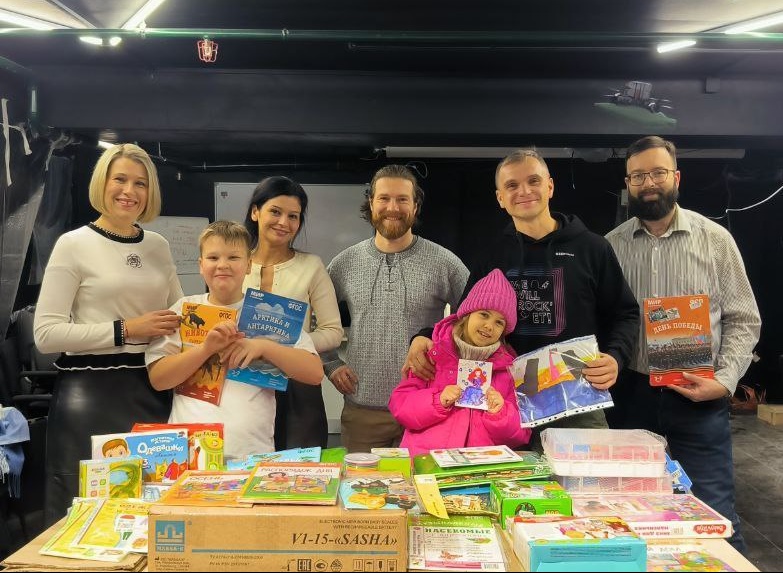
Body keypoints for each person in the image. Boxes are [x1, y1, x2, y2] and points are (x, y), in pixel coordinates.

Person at [404, 149, 639, 449]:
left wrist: (616, 357)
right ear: (500, 198)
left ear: (550, 186)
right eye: (512, 185)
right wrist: (425, 336)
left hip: (578, 400)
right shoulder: (492, 255)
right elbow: (464, 319)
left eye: (533, 181)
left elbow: (625, 313)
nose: (524, 191)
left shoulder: (593, 248)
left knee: (585, 479)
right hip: (507, 405)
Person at [605, 135, 761, 553]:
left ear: (676, 177)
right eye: (638, 176)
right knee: (628, 512)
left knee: (714, 517)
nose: (648, 183)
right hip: (631, 394)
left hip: (698, 393)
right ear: (628, 183)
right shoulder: (610, 246)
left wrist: (724, 381)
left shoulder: (715, 240)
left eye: (657, 172)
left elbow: (744, 319)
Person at [34, 143, 184, 525]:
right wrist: (127, 329)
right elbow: (46, 335)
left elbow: (179, 317)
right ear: (102, 182)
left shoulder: (158, 246)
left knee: (153, 508)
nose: (129, 191)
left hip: (154, 390)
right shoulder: (73, 244)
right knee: (84, 514)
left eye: (140, 183)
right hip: (90, 395)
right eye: (120, 179)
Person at [146, 221, 324, 460]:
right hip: (189, 454)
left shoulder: (271, 312)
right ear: (200, 265)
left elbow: (314, 373)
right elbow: (159, 380)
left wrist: (263, 346)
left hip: (251, 455)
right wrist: (205, 349)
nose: (223, 265)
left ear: (248, 265)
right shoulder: (183, 310)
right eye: (213, 257)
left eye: (233, 257)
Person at [323, 164, 469, 452]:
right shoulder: (343, 264)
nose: (393, 207)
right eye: (384, 198)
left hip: (426, 410)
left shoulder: (445, 263)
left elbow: (473, 322)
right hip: (362, 413)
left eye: (402, 199)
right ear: (371, 203)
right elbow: (312, 318)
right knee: (361, 483)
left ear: (415, 206)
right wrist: (331, 364)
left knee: (422, 482)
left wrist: (437, 345)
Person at [242, 176, 343, 449]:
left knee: (301, 467)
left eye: (293, 216)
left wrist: (284, 346)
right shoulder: (233, 263)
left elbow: (333, 332)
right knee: (246, 464)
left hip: (298, 385)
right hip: (243, 384)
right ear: (255, 212)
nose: (283, 222)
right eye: (275, 212)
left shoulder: (311, 266)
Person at [388, 269, 532, 456]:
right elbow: (400, 407)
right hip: (428, 464)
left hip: (479, 468)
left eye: (499, 323)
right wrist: (437, 400)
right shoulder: (433, 353)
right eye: (484, 314)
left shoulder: (509, 370)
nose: (489, 326)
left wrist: (501, 413)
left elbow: (521, 434)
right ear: (467, 314)